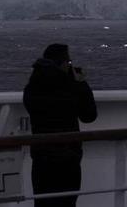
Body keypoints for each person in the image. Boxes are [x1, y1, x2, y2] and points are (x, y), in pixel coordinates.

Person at [23, 44, 97, 207]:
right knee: (67, 201)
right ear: (63, 63)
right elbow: (89, 115)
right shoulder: (69, 87)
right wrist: (81, 84)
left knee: (43, 202)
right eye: (69, 63)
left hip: (41, 158)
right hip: (67, 158)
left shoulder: (32, 87)